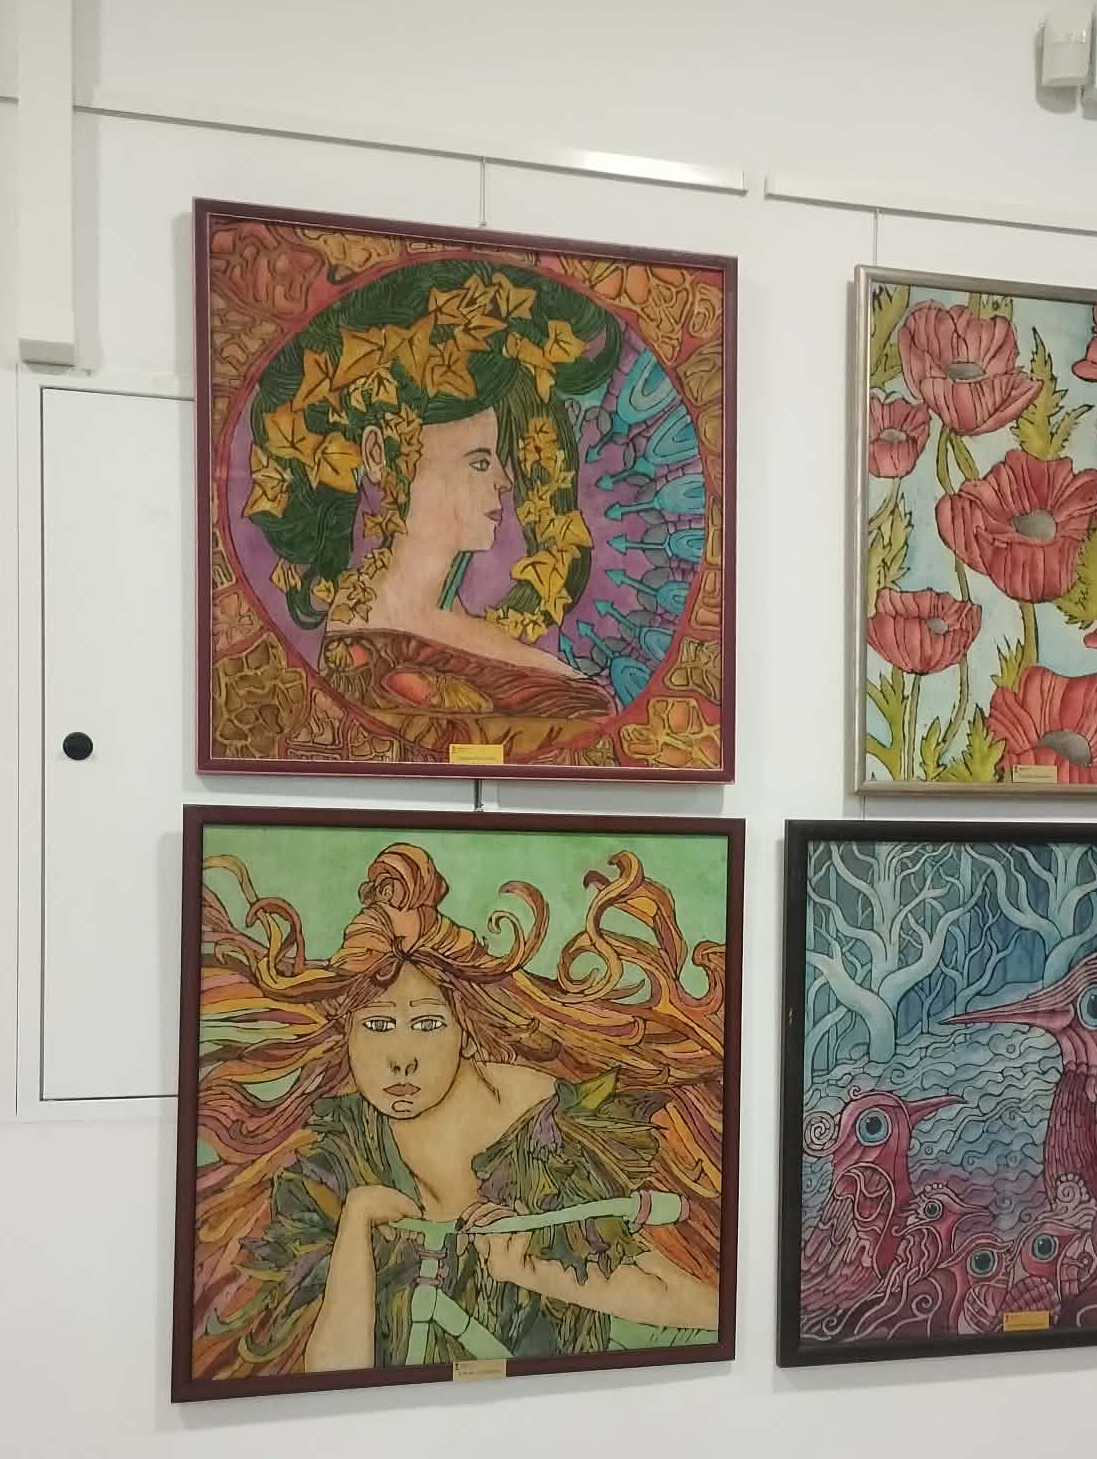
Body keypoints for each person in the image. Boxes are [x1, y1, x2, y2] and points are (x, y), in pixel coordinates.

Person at [190, 841, 725, 1378]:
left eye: (426, 1024)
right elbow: (333, 1373)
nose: (401, 1058)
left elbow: (699, 1306)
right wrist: (356, 1223)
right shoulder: (341, 1154)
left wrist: (543, 1274)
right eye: (377, 1025)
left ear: (466, 1030)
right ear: (346, 1035)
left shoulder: (548, 1133)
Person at [241, 259, 621, 743]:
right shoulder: (364, 658)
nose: (505, 481)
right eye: (479, 462)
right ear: (377, 454)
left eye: (499, 459)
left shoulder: (502, 656)